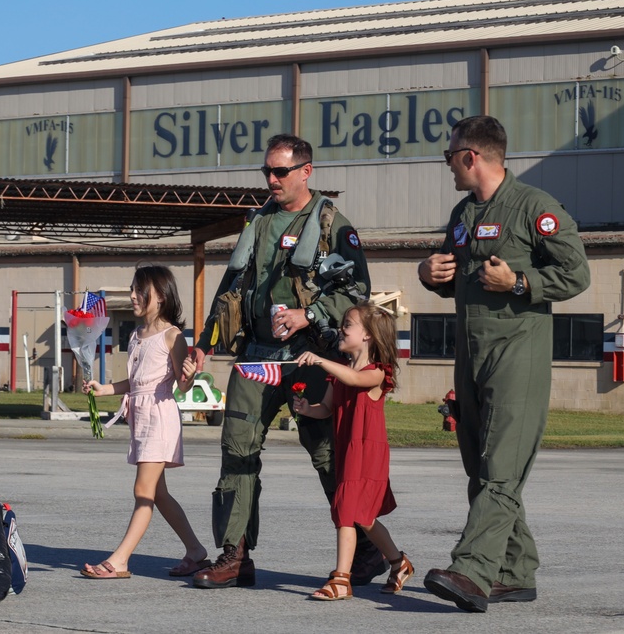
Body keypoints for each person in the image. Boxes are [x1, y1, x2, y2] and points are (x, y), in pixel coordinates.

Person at [187, 133, 385, 589]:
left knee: (327, 458)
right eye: (267, 172)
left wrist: (309, 314)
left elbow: (359, 294)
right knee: (236, 452)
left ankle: (368, 552)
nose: (272, 180)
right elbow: (228, 288)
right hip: (255, 358)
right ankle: (235, 555)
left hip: (310, 360)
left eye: (280, 171)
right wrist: (205, 343)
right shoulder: (257, 222)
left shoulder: (334, 224)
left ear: (305, 171)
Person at [417, 115, 590, 612]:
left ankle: (471, 571)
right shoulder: (462, 213)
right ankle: (514, 573)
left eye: (449, 156)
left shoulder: (535, 207)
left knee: (500, 472)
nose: (447, 165)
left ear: (471, 156)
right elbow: (457, 276)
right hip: (471, 355)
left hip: (518, 354)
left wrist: (519, 283)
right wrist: (431, 274)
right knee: (482, 470)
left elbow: (575, 273)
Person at [80, 265, 211, 580]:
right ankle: (196, 552)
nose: (133, 296)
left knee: (143, 490)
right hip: (140, 418)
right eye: (132, 289)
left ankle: (120, 560)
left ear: (161, 296)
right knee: (159, 493)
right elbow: (136, 382)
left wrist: (190, 377)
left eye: (140, 291)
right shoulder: (136, 335)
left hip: (160, 418)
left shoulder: (172, 336)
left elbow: (181, 386)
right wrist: (105, 389)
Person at [293, 303, 413, 601]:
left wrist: (320, 361)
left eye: (348, 324)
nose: (341, 329)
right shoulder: (340, 374)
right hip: (347, 451)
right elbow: (327, 409)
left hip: (368, 453)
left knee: (347, 511)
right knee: (364, 518)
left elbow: (357, 380)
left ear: (368, 336)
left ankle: (340, 579)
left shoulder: (376, 374)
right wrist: (309, 409)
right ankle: (399, 563)